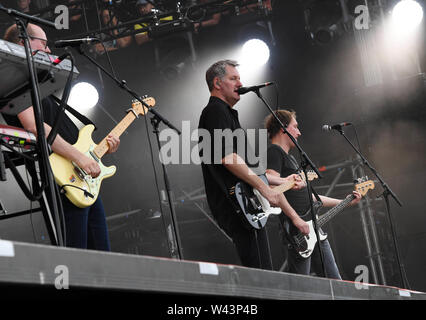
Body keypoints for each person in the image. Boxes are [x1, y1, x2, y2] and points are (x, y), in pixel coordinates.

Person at [3, 23, 120, 251]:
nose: (48, 51)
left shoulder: (39, 85)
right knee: (78, 253)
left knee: (102, 253)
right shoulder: (14, 83)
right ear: (22, 43)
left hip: (80, 173)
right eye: (44, 44)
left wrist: (99, 150)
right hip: (62, 174)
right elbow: (35, 127)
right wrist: (79, 157)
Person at [198, 60, 309, 269]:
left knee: (262, 267)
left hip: (245, 201)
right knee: (260, 269)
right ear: (217, 83)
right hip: (234, 201)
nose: (240, 82)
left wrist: (281, 180)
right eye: (234, 78)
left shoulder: (228, 113)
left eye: (240, 78)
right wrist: (266, 189)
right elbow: (228, 158)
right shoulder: (215, 111)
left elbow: (249, 168)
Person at [264, 109, 361, 279]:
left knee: (335, 282)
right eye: (295, 126)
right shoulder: (274, 152)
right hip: (298, 231)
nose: (299, 132)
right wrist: (296, 219)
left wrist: (345, 201)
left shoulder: (291, 159)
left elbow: (313, 199)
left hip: (314, 229)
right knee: (301, 287)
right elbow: (271, 185)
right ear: (283, 128)